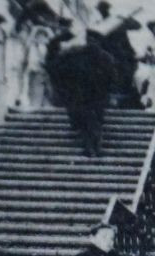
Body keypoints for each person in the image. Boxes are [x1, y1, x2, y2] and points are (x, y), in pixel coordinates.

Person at [45, 19, 117, 158]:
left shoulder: (75, 54)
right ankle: (93, 146)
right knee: (92, 120)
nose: (92, 42)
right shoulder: (98, 56)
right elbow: (112, 77)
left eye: (94, 40)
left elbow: (57, 71)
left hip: (87, 95)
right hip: (90, 95)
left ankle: (91, 146)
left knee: (88, 120)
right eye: (91, 39)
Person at [88, 0, 142, 107]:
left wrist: (125, 19)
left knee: (125, 76)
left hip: (123, 53)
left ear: (108, 9)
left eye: (104, 9)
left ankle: (126, 99)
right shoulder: (99, 24)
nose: (102, 11)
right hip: (107, 54)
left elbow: (137, 26)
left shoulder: (116, 20)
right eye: (100, 9)